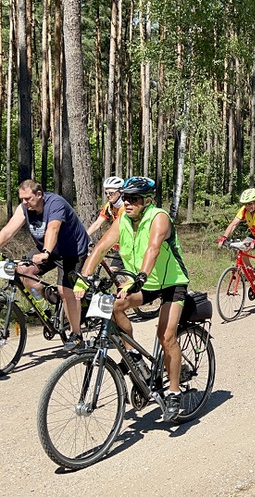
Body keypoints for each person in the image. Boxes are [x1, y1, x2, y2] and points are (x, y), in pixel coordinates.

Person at [74, 177, 189, 421]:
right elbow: (101, 248)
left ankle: (174, 392)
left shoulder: (159, 217)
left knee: (166, 336)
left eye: (133, 199)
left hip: (171, 282)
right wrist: (84, 277)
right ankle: (135, 357)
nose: (127, 203)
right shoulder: (122, 220)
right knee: (114, 306)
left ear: (147, 201)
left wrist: (140, 277)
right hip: (142, 282)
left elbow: (153, 248)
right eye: (125, 198)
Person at [0, 180, 90, 350]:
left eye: (28, 198)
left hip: (72, 251)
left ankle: (77, 335)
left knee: (66, 291)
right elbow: (8, 232)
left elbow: (53, 229)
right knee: (22, 271)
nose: (24, 202)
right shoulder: (24, 208)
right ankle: (45, 305)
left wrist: (46, 253)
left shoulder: (55, 204)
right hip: (46, 250)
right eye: (22, 199)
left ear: (39, 194)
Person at [217, 188, 255, 307]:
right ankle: (254, 279)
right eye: (245, 204)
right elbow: (234, 224)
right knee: (242, 251)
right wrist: (224, 236)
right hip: (254, 236)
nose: (247, 206)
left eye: (250, 204)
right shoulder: (244, 210)